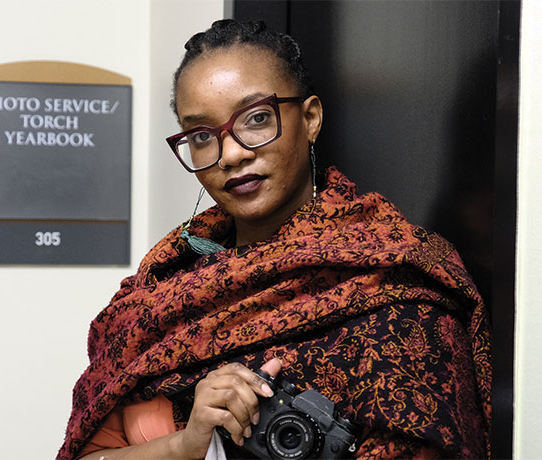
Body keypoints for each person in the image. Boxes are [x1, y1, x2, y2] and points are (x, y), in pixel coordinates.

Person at [57, 19, 491, 460]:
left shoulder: (393, 281)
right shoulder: (163, 287)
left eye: (257, 118)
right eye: (202, 136)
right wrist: (186, 447)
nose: (231, 154)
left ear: (310, 118)